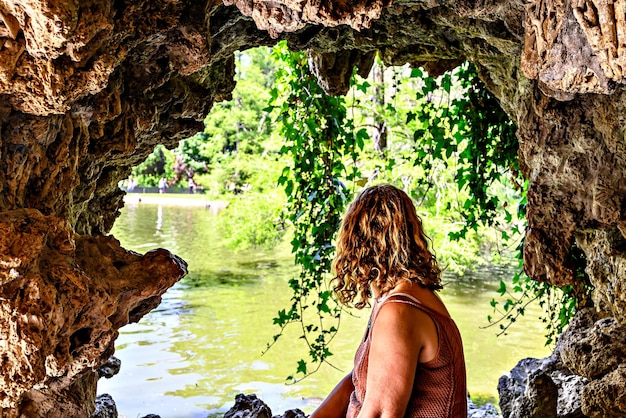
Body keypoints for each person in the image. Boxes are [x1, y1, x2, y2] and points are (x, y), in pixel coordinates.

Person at [311, 184, 467, 418]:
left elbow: (380, 413)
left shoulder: (399, 311)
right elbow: (358, 382)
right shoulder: (399, 297)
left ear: (356, 243)